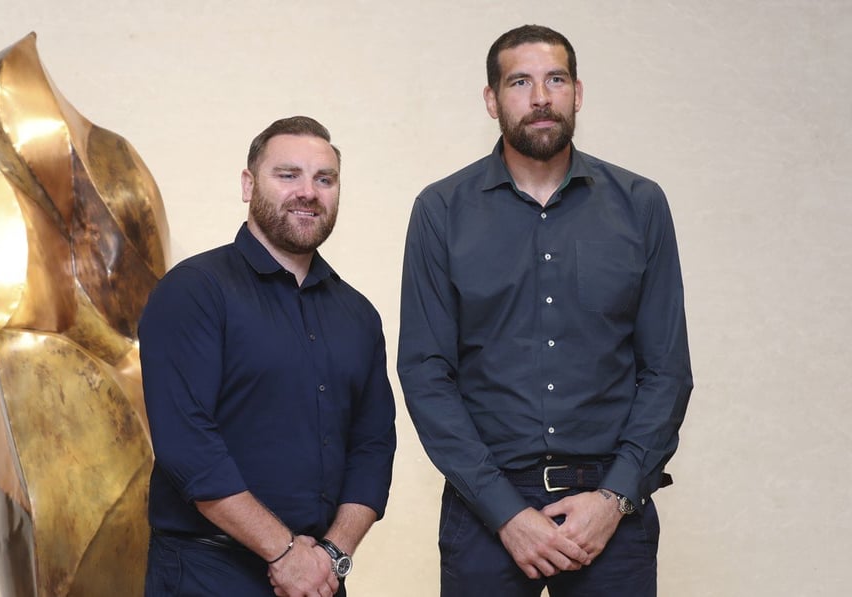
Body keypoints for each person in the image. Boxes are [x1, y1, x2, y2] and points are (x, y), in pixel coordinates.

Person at [397, 25, 693, 596]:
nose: (540, 97)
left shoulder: (640, 205)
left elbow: (667, 370)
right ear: (491, 99)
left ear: (577, 93)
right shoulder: (440, 211)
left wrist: (615, 498)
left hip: (611, 505)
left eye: (555, 80)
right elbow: (426, 372)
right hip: (485, 506)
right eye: (519, 82)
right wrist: (505, 512)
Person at [139, 116, 397, 597]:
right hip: (205, 572)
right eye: (288, 175)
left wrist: (331, 556)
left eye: (325, 179)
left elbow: (373, 447)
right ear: (248, 184)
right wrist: (283, 552)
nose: (308, 192)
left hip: (319, 577)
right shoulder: (193, 292)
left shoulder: (358, 314)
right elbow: (188, 447)